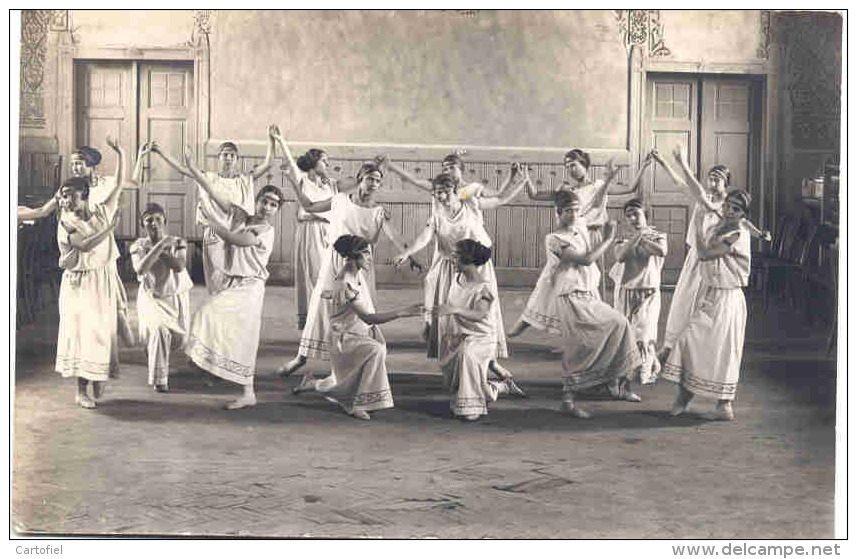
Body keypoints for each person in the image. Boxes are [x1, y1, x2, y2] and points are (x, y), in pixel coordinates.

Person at [276, 161, 422, 383]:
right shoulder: (340, 200)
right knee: (319, 309)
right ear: (360, 179)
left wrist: (408, 255)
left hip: (361, 266)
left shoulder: (379, 212)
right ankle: (300, 358)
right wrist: (292, 182)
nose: (374, 183)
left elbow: (395, 236)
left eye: (378, 180)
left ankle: (353, 367)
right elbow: (309, 205)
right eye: (370, 178)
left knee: (361, 315)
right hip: (333, 261)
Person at [391, 169, 529, 380]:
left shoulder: (472, 204)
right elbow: (424, 237)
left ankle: (491, 362)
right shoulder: (437, 216)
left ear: (457, 191)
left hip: (477, 268)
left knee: (483, 315)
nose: (442, 196)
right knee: (452, 319)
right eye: (438, 192)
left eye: (446, 191)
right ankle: (457, 365)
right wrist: (407, 253)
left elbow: (500, 198)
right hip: (450, 269)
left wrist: (520, 181)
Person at [510, 152, 656, 338]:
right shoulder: (567, 191)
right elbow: (534, 195)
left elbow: (631, 188)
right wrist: (526, 178)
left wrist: (643, 166)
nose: (570, 169)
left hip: (594, 234)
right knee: (555, 278)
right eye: (567, 165)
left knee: (591, 282)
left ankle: (593, 330)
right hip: (574, 235)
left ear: (585, 165)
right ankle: (533, 320)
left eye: (573, 164)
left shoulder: (598, 186)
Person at [650, 147, 768, 363]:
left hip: (713, 264)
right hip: (695, 258)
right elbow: (680, 183)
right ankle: (669, 347)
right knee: (683, 302)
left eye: (717, 180)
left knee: (702, 308)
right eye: (710, 179)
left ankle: (694, 355)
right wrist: (662, 162)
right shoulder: (703, 197)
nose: (712, 183)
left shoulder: (724, 207)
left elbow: (744, 223)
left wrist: (759, 234)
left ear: (727, 184)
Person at [296, 235, 423, 420]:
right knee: (375, 350)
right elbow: (368, 317)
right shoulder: (346, 282)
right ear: (355, 256)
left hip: (355, 331)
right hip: (342, 339)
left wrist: (332, 296)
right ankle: (357, 403)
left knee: (374, 350)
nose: (371, 259)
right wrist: (404, 311)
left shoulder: (355, 273)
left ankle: (314, 384)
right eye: (367, 255)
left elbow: (352, 303)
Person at [184, 183, 286, 409]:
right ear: (256, 200)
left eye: (273, 205)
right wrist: (194, 173)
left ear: (277, 210)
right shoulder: (241, 216)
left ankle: (248, 393)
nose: (267, 207)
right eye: (264, 201)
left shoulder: (266, 231)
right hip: (233, 282)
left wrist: (211, 223)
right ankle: (214, 368)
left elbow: (239, 240)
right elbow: (217, 194)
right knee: (215, 321)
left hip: (251, 286)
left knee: (240, 335)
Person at [548, 191, 642, 419]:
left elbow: (596, 205)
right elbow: (586, 259)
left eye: (576, 210)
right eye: (568, 210)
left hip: (586, 294)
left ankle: (614, 380)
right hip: (569, 296)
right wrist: (609, 238)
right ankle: (567, 400)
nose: (573, 214)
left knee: (619, 324)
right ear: (558, 212)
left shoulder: (578, 227)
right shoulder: (554, 238)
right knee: (578, 345)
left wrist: (608, 181)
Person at [150, 126, 276, 294]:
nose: (228, 158)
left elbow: (269, 163)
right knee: (217, 281)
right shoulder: (209, 178)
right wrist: (160, 152)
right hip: (215, 234)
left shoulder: (245, 179)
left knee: (238, 281)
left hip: (239, 233)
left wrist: (272, 139)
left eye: (232, 155)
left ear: (237, 159)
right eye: (225, 155)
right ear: (219, 158)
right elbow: (182, 169)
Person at [662, 188, 753, 421]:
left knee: (723, 351)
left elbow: (704, 254)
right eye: (729, 206)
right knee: (690, 342)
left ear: (743, 214)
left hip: (729, 298)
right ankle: (685, 397)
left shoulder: (738, 234)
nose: (730, 211)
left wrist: (700, 222)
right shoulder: (722, 227)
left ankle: (724, 405)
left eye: (737, 209)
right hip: (713, 294)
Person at [54, 170, 126, 409]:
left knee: (101, 331)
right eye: (62, 196)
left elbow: (118, 186)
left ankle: (97, 374)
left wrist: (121, 153)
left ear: (84, 195)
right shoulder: (66, 221)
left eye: (68, 195)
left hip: (101, 279)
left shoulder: (101, 211)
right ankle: (80, 391)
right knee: (81, 335)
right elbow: (84, 246)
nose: (64, 200)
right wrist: (108, 230)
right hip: (79, 282)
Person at [436, 239, 525, 421]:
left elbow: (479, 314)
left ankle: (473, 405)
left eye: (455, 256)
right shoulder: (456, 278)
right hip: (458, 335)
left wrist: (454, 310)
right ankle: (499, 387)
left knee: (467, 359)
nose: (452, 259)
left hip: (480, 338)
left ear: (467, 259)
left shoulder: (483, 287)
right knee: (465, 376)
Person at [270, 133, 337, 330]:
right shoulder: (302, 181)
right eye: (324, 161)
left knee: (329, 276)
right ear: (314, 162)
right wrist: (281, 140)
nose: (327, 164)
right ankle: (313, 320)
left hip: (328, 232)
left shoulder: (329, 183)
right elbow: (291, 161)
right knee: (315, 275)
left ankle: (327, 318)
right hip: (310, 232)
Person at [129, 202, 193, 392]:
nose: (154, 223)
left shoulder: (178, 242)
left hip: (176, 296)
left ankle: (152, 349)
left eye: (158, 219)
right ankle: (160, 378)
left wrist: (161, 247)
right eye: (149, 220)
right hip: (152, 297)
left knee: (178, 340)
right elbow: (140, 268)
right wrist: (160, 246)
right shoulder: (138, 245)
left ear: (165, 220)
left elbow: (179, 266)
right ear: (143, 224)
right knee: (159, 330)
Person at [609, 198, 667, 384]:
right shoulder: (622, 239)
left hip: (649, 292)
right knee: (626, 334)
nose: (633, 218)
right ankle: (632, 368)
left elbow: (661, 251)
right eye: (629, 215)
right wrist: (639, 237)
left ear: (646, 215)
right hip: (626, 292)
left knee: (645, 333)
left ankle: (645, 368)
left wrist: (639, 239)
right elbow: (620, 256)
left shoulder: (659, 235)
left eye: (637, 214)